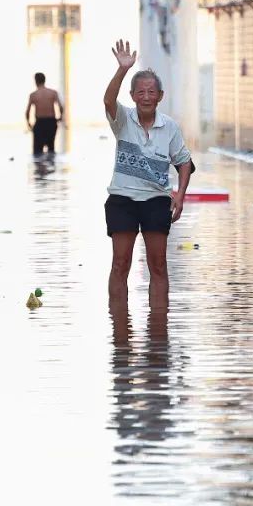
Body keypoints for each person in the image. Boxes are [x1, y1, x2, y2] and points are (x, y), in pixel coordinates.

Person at [103, 39, 193, 308]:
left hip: (156, 200)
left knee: (158, 264)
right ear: (132, 96)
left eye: (151, 92)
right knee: (120, 263)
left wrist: (180, 195)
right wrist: (123, 69)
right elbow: (108, 100)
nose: (145, 96)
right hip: (122, 199)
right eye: (140, 92)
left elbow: (184, 161)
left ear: (160, 96)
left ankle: (158, 336)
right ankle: (120, 338)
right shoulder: (122, 121)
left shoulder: (170, 127)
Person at [25, 72, 64, 157]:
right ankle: (52, 169)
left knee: (37, 152)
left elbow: (27, 112)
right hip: (51, 123)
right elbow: (61, 107)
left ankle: (39, 169)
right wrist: (60, 118)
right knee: (51, 149)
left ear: (35, 81)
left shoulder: (33, 95)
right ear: (44, 80)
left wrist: (29, 123)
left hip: (40, 123)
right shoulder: (53, 93)